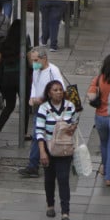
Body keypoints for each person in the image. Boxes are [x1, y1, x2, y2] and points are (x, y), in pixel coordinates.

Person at [36, 80, 78, 220]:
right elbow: (39, 131)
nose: (59, 92)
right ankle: (50, 204)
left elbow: (74, 121)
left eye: (60, 90)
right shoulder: (43, 108)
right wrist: (42, 152)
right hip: (48, 148)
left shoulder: (70, 106)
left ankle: (65, 212)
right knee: (49, 178)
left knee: (64, 179)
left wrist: (72, 128)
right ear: (49, 93)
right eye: (55, 90)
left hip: (65, 149)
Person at [19, 48, 65, 178]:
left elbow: (61, 91)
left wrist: (43, 99)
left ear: (44, 58)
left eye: (36, 60)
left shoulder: (53, 71)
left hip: (51, 109)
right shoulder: (36, 69)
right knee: (38, 136)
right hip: (40, 108)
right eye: (32, 61)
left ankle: (39, 164)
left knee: (46, 136)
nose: (34, 63)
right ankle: (34, 165)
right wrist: (32, 97)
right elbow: (34, 84)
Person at [0, 20, 31, 144]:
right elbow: (30, 63)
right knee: (25, 105)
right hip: (22, 79)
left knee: (9, 106)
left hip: (7, 78)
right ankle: (23, 133)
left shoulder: (3, 43)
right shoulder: (24, 44)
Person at [88, 54, 110, 186]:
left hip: (100, 117)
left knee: (103, 143)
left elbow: (91, 97)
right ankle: (109, 176)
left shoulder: (98, 79)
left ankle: (103, 167)